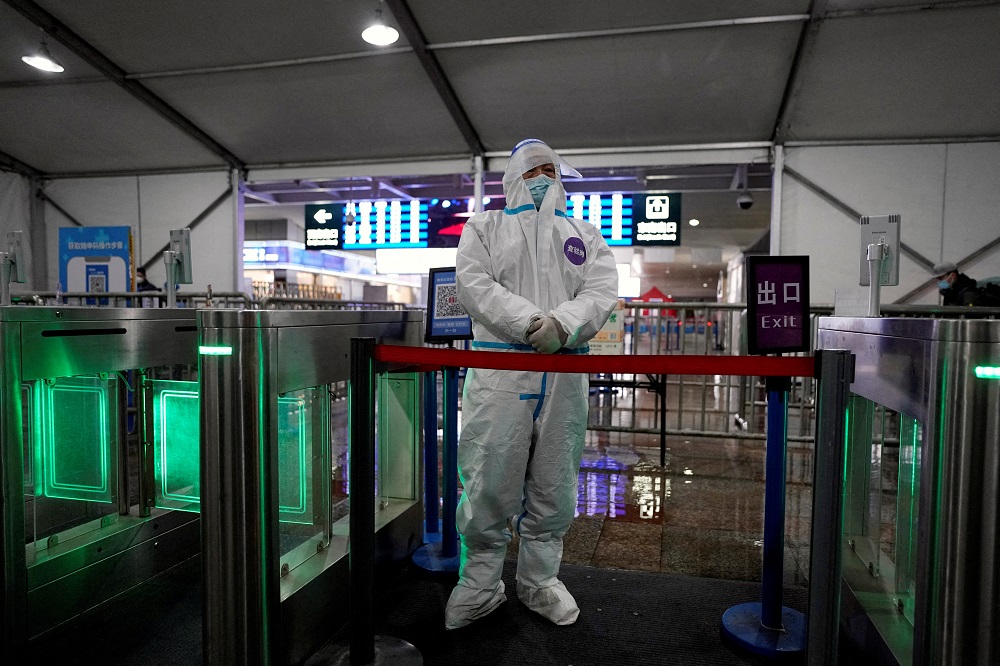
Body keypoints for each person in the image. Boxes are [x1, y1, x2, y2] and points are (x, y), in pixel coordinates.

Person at [446, 139, 618, 630]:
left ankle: (540, 581)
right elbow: (474, 285)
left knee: (554, 481)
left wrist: (562, 324)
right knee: (488, 476)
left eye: (549, 169)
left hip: (565, 373)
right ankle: (479, 584)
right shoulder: (484, 227)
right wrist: (528, 323)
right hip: (501, 373)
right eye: (531, 169)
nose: (542, 177)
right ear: (512, 177)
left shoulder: (585, 234)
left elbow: (601, 289)